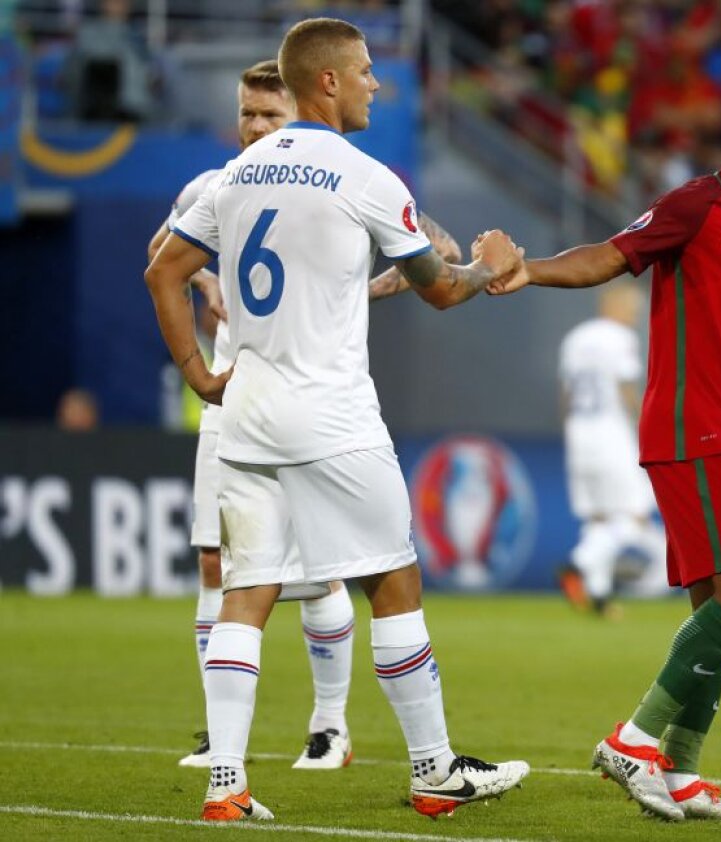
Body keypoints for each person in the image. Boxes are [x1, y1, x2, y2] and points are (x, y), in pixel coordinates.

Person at [145, 17, 528, 822]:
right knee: (392, 577)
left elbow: (164, 270)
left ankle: (226, 785)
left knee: (245, 594)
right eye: (363, 72)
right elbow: (442, 288)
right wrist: (488, 263)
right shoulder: (366, 177)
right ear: (326, 82)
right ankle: (433, 771)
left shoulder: (234, 174)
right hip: (331, 412)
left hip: (246, 410)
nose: (374, 84)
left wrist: (197, 374)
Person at [489, 80, 721, 822]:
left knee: (715, 602)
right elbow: (613, 255)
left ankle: (679, 771)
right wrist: (533, 271)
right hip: (689, 429)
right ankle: (634, 738)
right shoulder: (695, 207)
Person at [557, 282, 669, 617]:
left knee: (599, 517)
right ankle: (578, 563)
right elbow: (625, 388)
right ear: (616, 306)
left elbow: (564, 395)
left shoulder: (574, 338)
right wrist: (645, 430)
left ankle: (599, 597)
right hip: (611, 431)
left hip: (578, 431)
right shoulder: (620, 338)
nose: (635, 316)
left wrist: (570, 432)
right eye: (633, 309)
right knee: (634, 514)